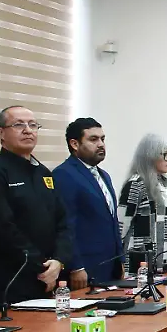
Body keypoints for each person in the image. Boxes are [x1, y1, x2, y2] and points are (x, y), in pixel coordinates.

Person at [0, 106, 73, 307]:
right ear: (1, 133)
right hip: (13, 276)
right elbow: (1, 229)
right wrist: (41, 266)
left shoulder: (43, 173)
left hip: (51, 274)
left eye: (33, 125)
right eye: (19, 125)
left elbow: (62, 221)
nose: (28, 130)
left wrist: (59, 261)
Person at [54, 118, 122, 289]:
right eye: (93, 139)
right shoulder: (64, 174)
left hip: (110, 265)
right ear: (74, 144)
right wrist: (76, 266)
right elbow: (66, 225)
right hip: (85, 268)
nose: (101, 144)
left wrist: (120, 260)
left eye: (102, 139)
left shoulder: (103, 175)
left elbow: (111, 221)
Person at [118, 134, 167, 271]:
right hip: (140, 262)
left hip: (163, 257)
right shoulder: (136, 184)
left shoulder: (162, 184)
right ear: (151, 155)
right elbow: (121, 226)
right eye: (166, 155)